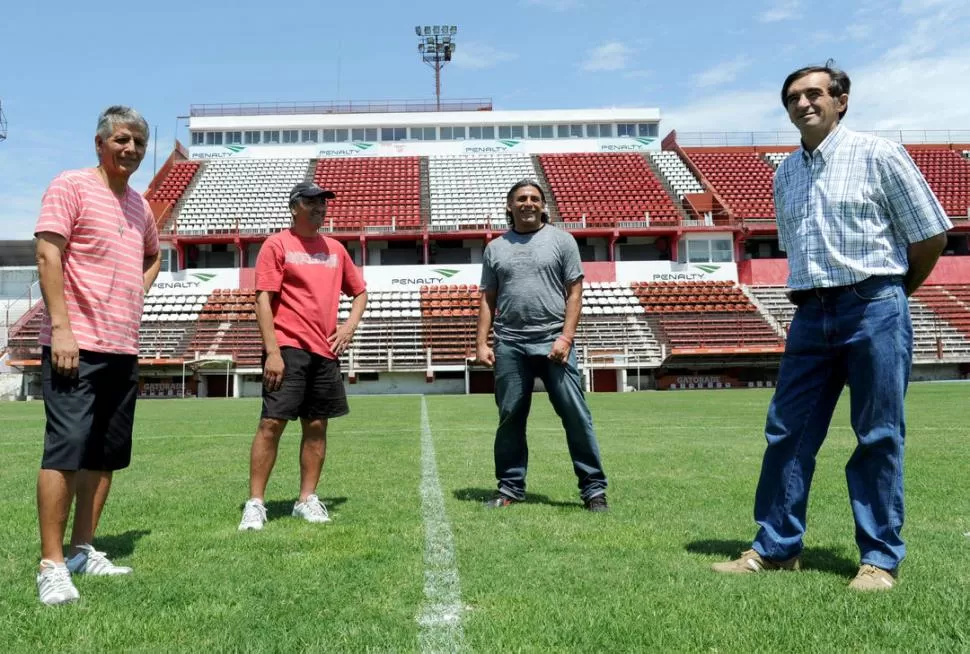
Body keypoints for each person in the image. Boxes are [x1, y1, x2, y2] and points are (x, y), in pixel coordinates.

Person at [712, 64, 952, 590]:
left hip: (874, 302)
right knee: (787, 431)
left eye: (815, 93)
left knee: (877, 433)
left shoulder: (879, 154)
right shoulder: (785, 173)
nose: (803, 103)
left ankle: (880, 558)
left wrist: (892, 293)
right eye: (793, 97)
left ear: (841, 100)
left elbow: (931, 234)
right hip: (810, 313)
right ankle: (776, 548)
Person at [34, 106, 161, 605]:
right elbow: (48, 253)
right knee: (65, 452)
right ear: (100, 143)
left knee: (104, 456)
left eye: (138, 145)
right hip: (76, 344)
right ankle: (51, 564)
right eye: (122, 140)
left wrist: (137, 289)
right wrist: (62, 329)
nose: (130, 150)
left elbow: (153, 253)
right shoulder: (69, 185)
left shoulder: (140, 206)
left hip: (122, 346)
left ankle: (84, 549)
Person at [238, 182, 367, 531]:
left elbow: (359, 292)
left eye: (323, 203)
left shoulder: (336, 250)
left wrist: (349, 327)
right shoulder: (277, 244)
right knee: (271, 423)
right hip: (288, 349)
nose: (320, 208)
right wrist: (273, 351)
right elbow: (262, 299)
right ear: (294, 207)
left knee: (316, 426)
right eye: (312, 202)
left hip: (324, 351)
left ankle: (306, 499)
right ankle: (255, 503)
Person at [475, 180, 608, 512]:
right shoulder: (495, 248)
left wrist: (566, 337)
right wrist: (481, 342)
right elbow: (488, 299)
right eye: (521, 199)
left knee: (576, 416)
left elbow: (574, 293)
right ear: (510, 206)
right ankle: (510, 487)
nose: (528, 203)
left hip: (553, 342)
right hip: (510, 344)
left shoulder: (563, 242)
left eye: (534, 198)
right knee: (510, 418)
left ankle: (593, 490)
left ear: (543, 205)